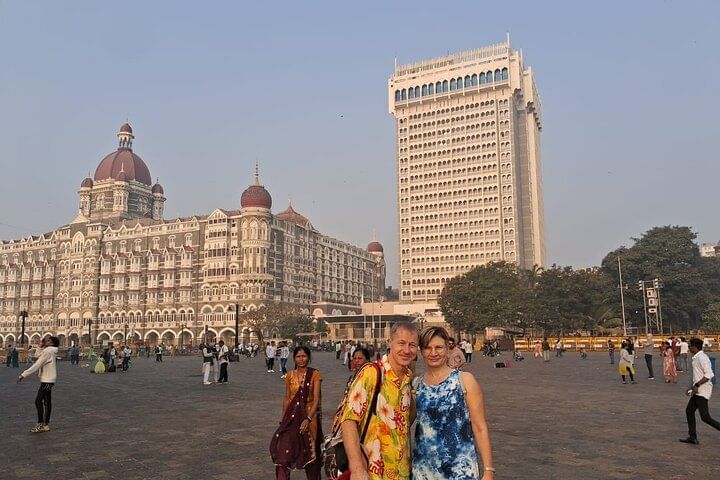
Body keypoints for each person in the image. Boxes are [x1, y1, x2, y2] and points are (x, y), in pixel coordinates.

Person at [413, 326, 494, 480]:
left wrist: (489, 470)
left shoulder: (464, 380)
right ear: (421, 351)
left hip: (460, 470)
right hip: (424, 470)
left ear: (448, 349)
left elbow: (479, 427)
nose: (433, 353)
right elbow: (403, 424)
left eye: (439, 347)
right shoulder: (416, 385)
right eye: (428, 348)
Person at [340, 322, 417, 480]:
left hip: (401, 472)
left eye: (412, 345)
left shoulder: (408, 380)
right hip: (371, 472)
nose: (407, 350)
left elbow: (405, 423)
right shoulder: (372, 373)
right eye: (401, 343)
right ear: (390, 343)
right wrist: (357, 468)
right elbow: (348, 420)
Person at [270, 346, 322, 480]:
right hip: (291, 417)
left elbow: (316, 399)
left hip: (309, 417)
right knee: (284, 452)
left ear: (308, 358)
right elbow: (287, 398)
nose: (301, 359)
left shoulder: (315, 374)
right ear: (294, 358)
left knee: (310, 452)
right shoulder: (289, 375)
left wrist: (308, 419)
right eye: (298, 356)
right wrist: (283, 420)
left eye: (304, 356)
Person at [679, 338, 720, 444]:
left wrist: (697, 385)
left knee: (705, 417)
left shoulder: (702, 357)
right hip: (697, 391)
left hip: (703, 391)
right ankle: (692, 437)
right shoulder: (696, 357)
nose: (688, 348)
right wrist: (691, 387)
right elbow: (697, 375)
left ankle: (693, 437)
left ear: (694, 347)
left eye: (689, 346)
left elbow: (709, 374)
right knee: (689, 411)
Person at [16, 336, 59, 433]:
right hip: (48, 379)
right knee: (47, 401)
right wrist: (40, 346)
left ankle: (40, 424)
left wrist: (23, 375)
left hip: (47, 380)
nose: (46, 341)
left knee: (38, 401)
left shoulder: (48, 351)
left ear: (52, 343)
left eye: (49, 340)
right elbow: (37, 355)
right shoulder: (49, 351)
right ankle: (45, 425)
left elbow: (37, 364)